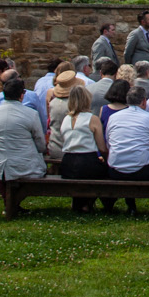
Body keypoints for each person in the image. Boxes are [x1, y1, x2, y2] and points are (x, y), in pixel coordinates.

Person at [0, 79, 46, 204]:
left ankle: (9, 202)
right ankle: (13, 203)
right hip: (23, 164)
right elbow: (40, 145)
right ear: (22, 95)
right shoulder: (31, 114)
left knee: (3, 169)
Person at [54, 83, 107, 211]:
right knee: (103, 172)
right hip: (87, 161)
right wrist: (104, 158)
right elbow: (102, 148)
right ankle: (91, 203)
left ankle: (81, 203)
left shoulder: (66, 119)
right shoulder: (92, 119)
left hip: (68, 163)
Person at [104, 85, 149, 185]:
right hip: (142, 170)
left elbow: (108, 142)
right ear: (144, 101)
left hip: (115, 170)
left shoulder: (113, 117)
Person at [122, 11, 149, 78]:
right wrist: (130, 67)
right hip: (138, 71)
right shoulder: (135, 34)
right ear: (143, 22)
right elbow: (128, 52)